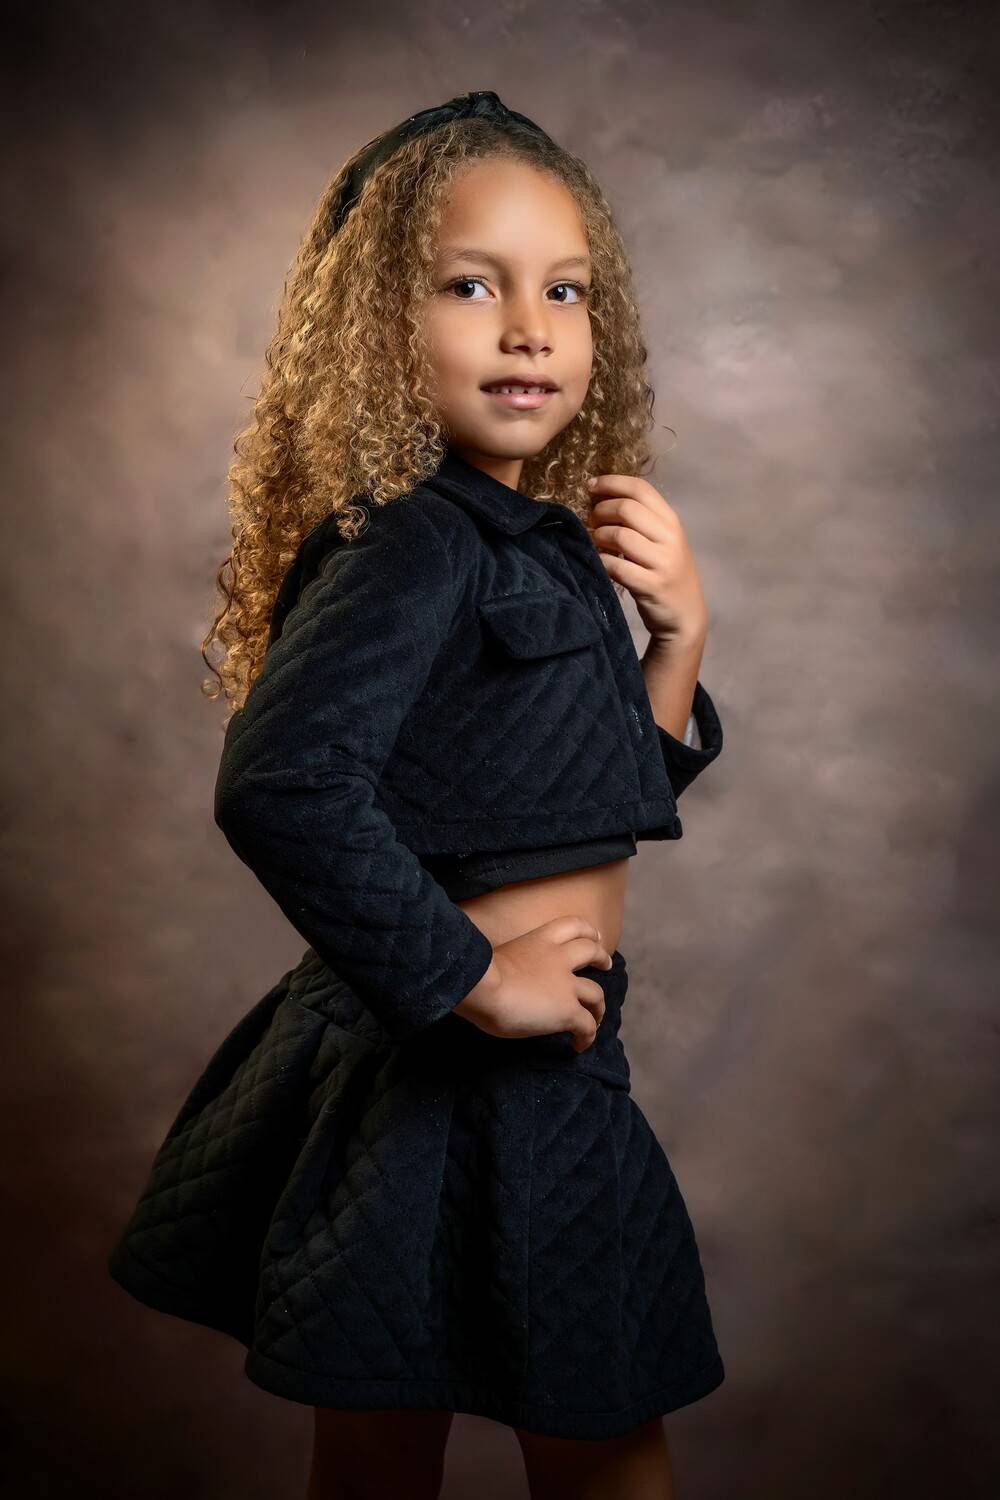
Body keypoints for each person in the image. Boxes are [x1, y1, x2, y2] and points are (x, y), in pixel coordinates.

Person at [107, 90, 727, 1499]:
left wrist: (679, 643)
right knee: (481, 1439)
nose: (530, 329)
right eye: (471, 286)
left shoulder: (538, 541)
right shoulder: (410, 543)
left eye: (563, 290)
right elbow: (281, 783)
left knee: (433, 1432)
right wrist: (475, 982)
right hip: (443, 1067)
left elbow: (587, 784)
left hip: (550, 1081)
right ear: (381, 329)